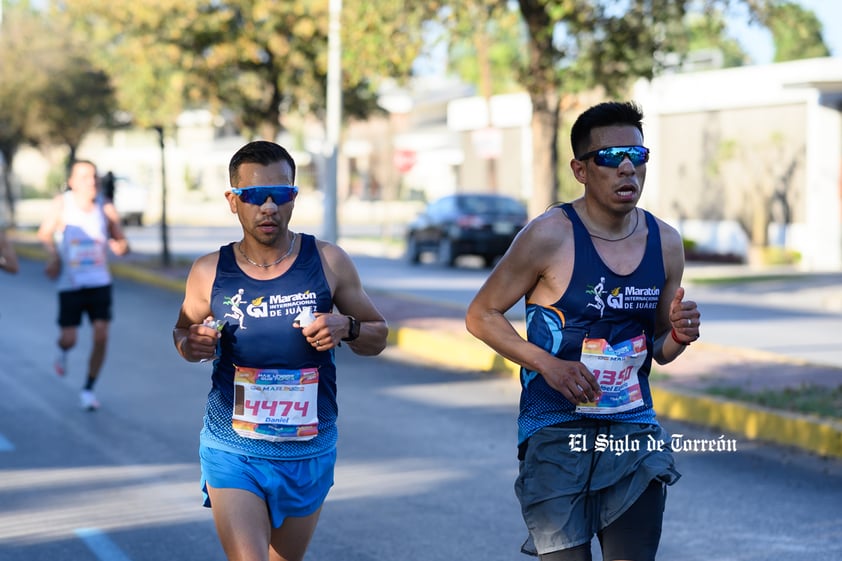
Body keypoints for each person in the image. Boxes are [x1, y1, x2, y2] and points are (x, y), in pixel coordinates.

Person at [465, 101, 700, 561]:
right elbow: (481, 315)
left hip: (632, 432)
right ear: (581, 169)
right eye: (611, 158)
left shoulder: (666, 242)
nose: (627, 168)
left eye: (638, 155)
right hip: (555, 431)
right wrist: (548, 364)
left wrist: (677, 336)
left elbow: (659, 348)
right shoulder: (549, 235)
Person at [172, 140, 388, 561]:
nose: (268, 206)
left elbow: (378, 336)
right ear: (233, 201)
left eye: (281, 194)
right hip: (233, 448)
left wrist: (348, 326)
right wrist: (191, 343)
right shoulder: (208, 271)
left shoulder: (328, 261)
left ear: (294, 197)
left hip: (308, 448)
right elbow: (183, 333)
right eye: (254, 196)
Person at [37, 159, 130, 410]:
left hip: (100, 282)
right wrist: (53, 255)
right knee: (69, 339)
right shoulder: (62, 205)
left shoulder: (105, 207)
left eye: (94, 177)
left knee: (101, 336)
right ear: (71, 182)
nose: (91, 182)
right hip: (71, 284)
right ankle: (63, 352)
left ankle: (88, 388)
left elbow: (122, 242)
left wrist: (120, 245)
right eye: (84, 177)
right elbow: (44, 233)